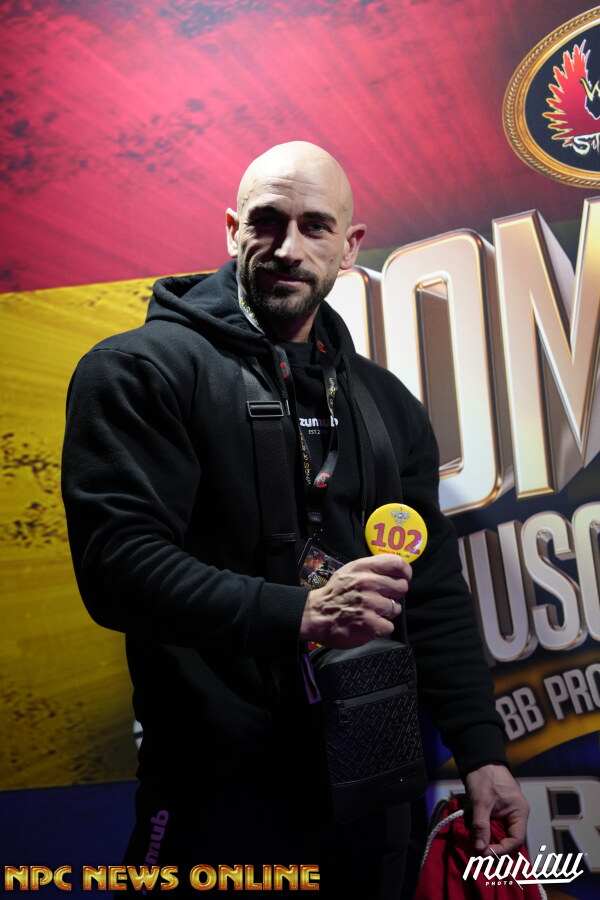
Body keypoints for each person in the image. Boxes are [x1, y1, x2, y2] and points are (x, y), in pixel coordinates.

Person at [61, 141, 529, 897]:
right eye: (267, 222)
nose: (288, 247)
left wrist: (482, 754)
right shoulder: (141, 371)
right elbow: (118, 568)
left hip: (373, 796)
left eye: (315, 226)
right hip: (217, 798)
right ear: (231, 230)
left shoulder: (385, 404)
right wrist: (301, 612)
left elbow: (432, 590)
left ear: (350, 246)